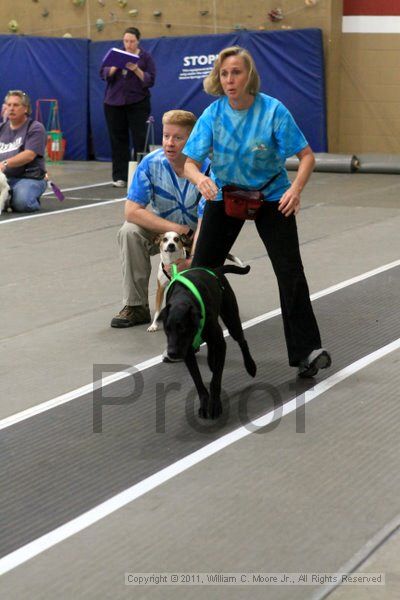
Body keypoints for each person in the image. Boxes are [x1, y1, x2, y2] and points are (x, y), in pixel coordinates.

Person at [182, 46, 331, 379]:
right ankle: (188, 337)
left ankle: (307, 352)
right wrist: (200, 178)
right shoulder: (214, 114)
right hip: (227, 194)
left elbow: (307, 157)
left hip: (272, 195)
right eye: (224, 74)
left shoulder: (273, 111)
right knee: (200, 272)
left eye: (236, 72)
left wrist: (295, 189)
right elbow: (189, 163)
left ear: (249, 76)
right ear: (218, 79)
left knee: (290, 272)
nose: (230, 80)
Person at [111, 109, 210, 337]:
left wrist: (193, 256)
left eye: (178, 137)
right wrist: (177, 230)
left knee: (200, 306)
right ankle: (136, 306)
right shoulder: (149, 164)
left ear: (192, 140)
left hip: (199, 235)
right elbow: (132, 211)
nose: (170, 143)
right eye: (166, 136)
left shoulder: (207, 168)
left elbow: (207, 222)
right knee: (129, 231)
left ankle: (203, 298)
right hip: (166, 234)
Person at [100, 26, 156, 188]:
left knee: (140, 139)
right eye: (126, 41)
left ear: (138, 41)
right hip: (113, 102)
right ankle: (120, 177)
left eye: (132, 41)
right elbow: (103, 73)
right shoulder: (115, 54)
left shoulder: (146, 57)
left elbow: (149, 80)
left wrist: (136, 69)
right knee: (118, 140)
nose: (128, 44)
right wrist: (116, 65)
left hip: (138, 102)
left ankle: (143, 176)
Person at [0, 90, 47, 212]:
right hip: (4, 178)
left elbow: (29, 155)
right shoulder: (1, 128)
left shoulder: (35, 127)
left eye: (16, 105)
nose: (11, 108)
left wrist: (5, 163)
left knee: (22, 202)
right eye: (8, 105)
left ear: (25, 108)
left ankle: (15, 198)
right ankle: (8, 199)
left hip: (28, 178)